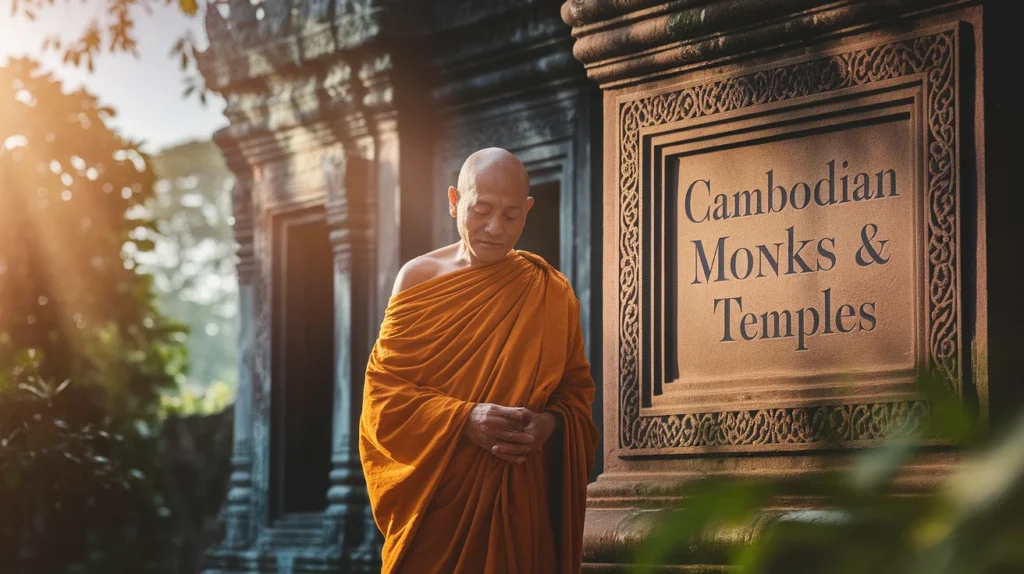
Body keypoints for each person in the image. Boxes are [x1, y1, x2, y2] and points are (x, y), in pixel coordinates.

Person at [358, 147, 599, 573]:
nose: (495, 228)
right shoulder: (418, 280)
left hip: (518, 503)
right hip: (438, 507)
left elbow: (576, 396)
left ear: (527, 211)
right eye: (481, 210)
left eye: (511, 215)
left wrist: (548, 425)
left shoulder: (550, 291)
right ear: (455, 201)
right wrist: (465, 419)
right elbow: (383, 399)